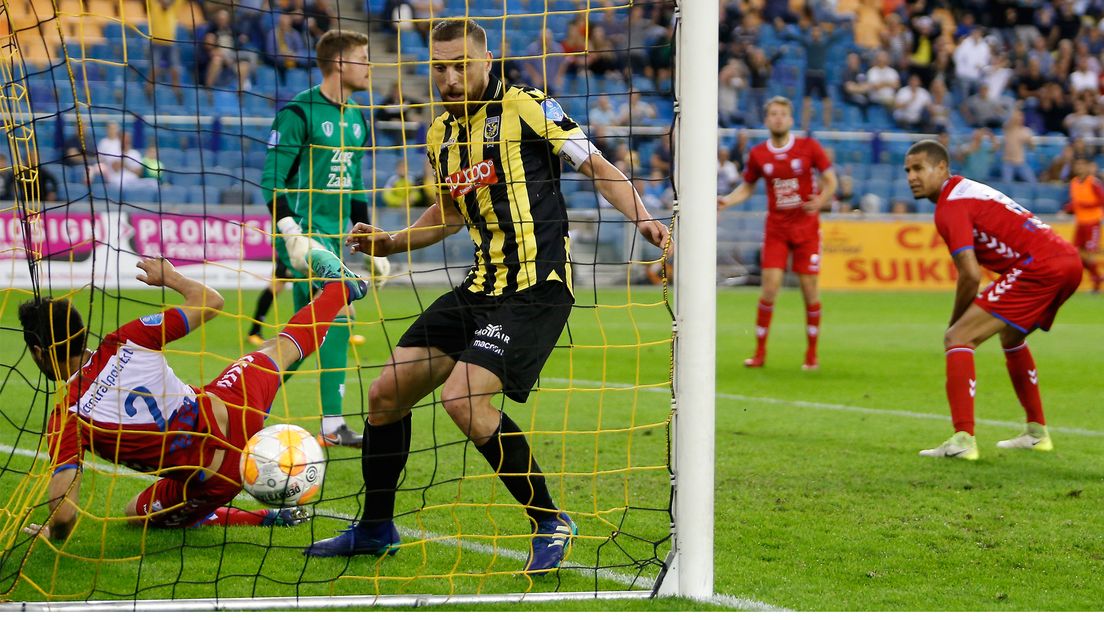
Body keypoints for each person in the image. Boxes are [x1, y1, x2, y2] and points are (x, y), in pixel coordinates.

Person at [303, 18, 669, 573]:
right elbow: (450, 213)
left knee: (462, 399)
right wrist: (393, 241)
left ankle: (550, 520)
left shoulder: (526, 106)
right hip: (481, 286)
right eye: (439, 68)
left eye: (460, 66)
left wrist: (642, 218)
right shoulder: (439, 135)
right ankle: (376, 527)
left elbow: (594, 163)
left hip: (536, 286)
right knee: (384, 394)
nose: (449, 78)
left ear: (487, 60)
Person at [19, 252, 368, 540]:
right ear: (82, 332)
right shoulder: (126, 339)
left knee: (135, 513)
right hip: (233, 405)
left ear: (38, 351)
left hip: (220, 475)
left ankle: (264, 516)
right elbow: (212, 301)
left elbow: (64, 514)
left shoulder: (67, 417)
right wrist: (171, 278)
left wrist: (54, 532)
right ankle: (339, 290)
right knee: (279, 348)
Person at [904, 140, 1082, 460]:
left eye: (919, 168)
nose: (911, 177)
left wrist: (956, 322)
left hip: (1038, 265)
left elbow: (970, 275)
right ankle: (1036, 432)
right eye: (907, 170)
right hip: (1066, 260)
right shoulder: (966, 190)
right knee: (1011, 336)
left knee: (958, 337)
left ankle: (963, 440)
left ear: (942, 168)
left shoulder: (950, 206)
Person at [261, 30, 390, 447]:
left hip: (335, 241)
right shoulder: (299, 112)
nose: (370, 66)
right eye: (363, 58)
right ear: (339, 63)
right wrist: (290, 233)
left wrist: (372, 243)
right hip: (304, 239)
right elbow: (271, 182)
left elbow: (353, 187)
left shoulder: (356, 118)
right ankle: (333, 426)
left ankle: (242, 398)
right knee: (337, 317)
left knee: (306, 334)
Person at [717, 96, 838, 371]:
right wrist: (727, 200)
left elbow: (831, 180)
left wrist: (821, 200)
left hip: (806, 229)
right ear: (766, 119)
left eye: (783, 113)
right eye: (773, 113)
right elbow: (747, 187)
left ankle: (811, 354)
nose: (778, 118)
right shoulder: (759, 154)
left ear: (791, 119)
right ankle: (759, 352)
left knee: (809, 291)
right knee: (769, 288)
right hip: (777, 230)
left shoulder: (808, 147)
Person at [1066, 154, 1104, 293]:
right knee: (1075, 254)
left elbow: (1101, 201)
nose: (1079, 167)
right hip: (1080, 223)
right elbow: (1075, 202)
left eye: (1082, 165)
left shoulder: (1093, 183)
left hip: (1092, 223)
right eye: (1077, 165)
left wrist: (1084, 204)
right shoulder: (1074, 182)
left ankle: (1096, 283)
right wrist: (1068, 208)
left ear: (1087, 167)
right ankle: (1097, 278)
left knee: (1089, 254)